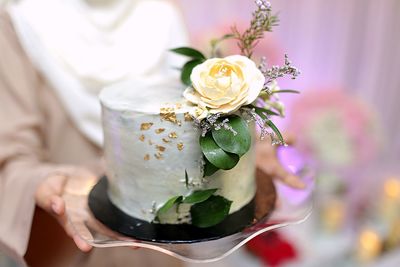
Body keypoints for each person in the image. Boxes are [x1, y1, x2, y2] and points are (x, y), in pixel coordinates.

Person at [0, 0, 304, 266]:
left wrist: (242, 149)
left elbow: (192, 123)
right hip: (71, 247)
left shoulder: (162, 15)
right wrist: (44, 182)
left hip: (164, 246)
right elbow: (11, 157)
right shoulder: (20, 22)